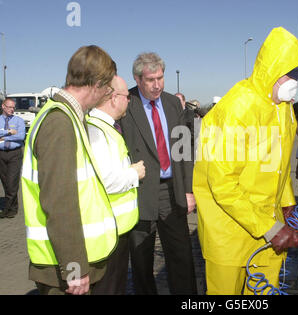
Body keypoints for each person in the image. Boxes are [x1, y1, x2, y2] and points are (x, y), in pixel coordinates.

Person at [193, 27, 298, 295]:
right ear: (272, 72)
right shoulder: (236, 109)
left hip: (269, 226)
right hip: (230, 232)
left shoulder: (284, 109)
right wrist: (268, 228)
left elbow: (278, 165)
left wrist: (287, 203)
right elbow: (222, 184)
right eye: (290, 76)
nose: (295, 83)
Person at [21, 45, 118, 295]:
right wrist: (75, 267)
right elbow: (59, 201)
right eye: (107, 89)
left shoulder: (68, 117)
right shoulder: (60, 122)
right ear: (96, 84)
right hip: (62, 268)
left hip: (64, 264)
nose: (107, 95)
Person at [119, 52, 197, 295]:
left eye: (160, 78)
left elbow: (184, 151)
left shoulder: (173, 103)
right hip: (140, 192)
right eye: (150, 80)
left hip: (172, 191)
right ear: (137, 79)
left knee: (182, 257)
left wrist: (188, 190)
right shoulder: (125, 104)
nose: (157, 85)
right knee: (142, 263)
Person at [86, 75, 146, 295]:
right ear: (114, 98)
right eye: (127, 97)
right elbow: (106, 181)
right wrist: (134, 173)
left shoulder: (106, 127)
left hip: (116, 230)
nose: (129, 101)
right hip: (108, 235)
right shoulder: (97, 131)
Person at [0, 98, 26, 218]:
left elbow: (21, 136)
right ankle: (13, 207)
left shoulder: (19, 120)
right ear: (3, 106)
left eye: (13, 107)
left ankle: (6, 209)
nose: (12, 109)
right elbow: (13, 133)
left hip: (14, 154)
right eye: (10, 107)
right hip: (1, 154)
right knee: (5, 182)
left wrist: (5, 137)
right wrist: (9, 132)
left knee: (12, 182)